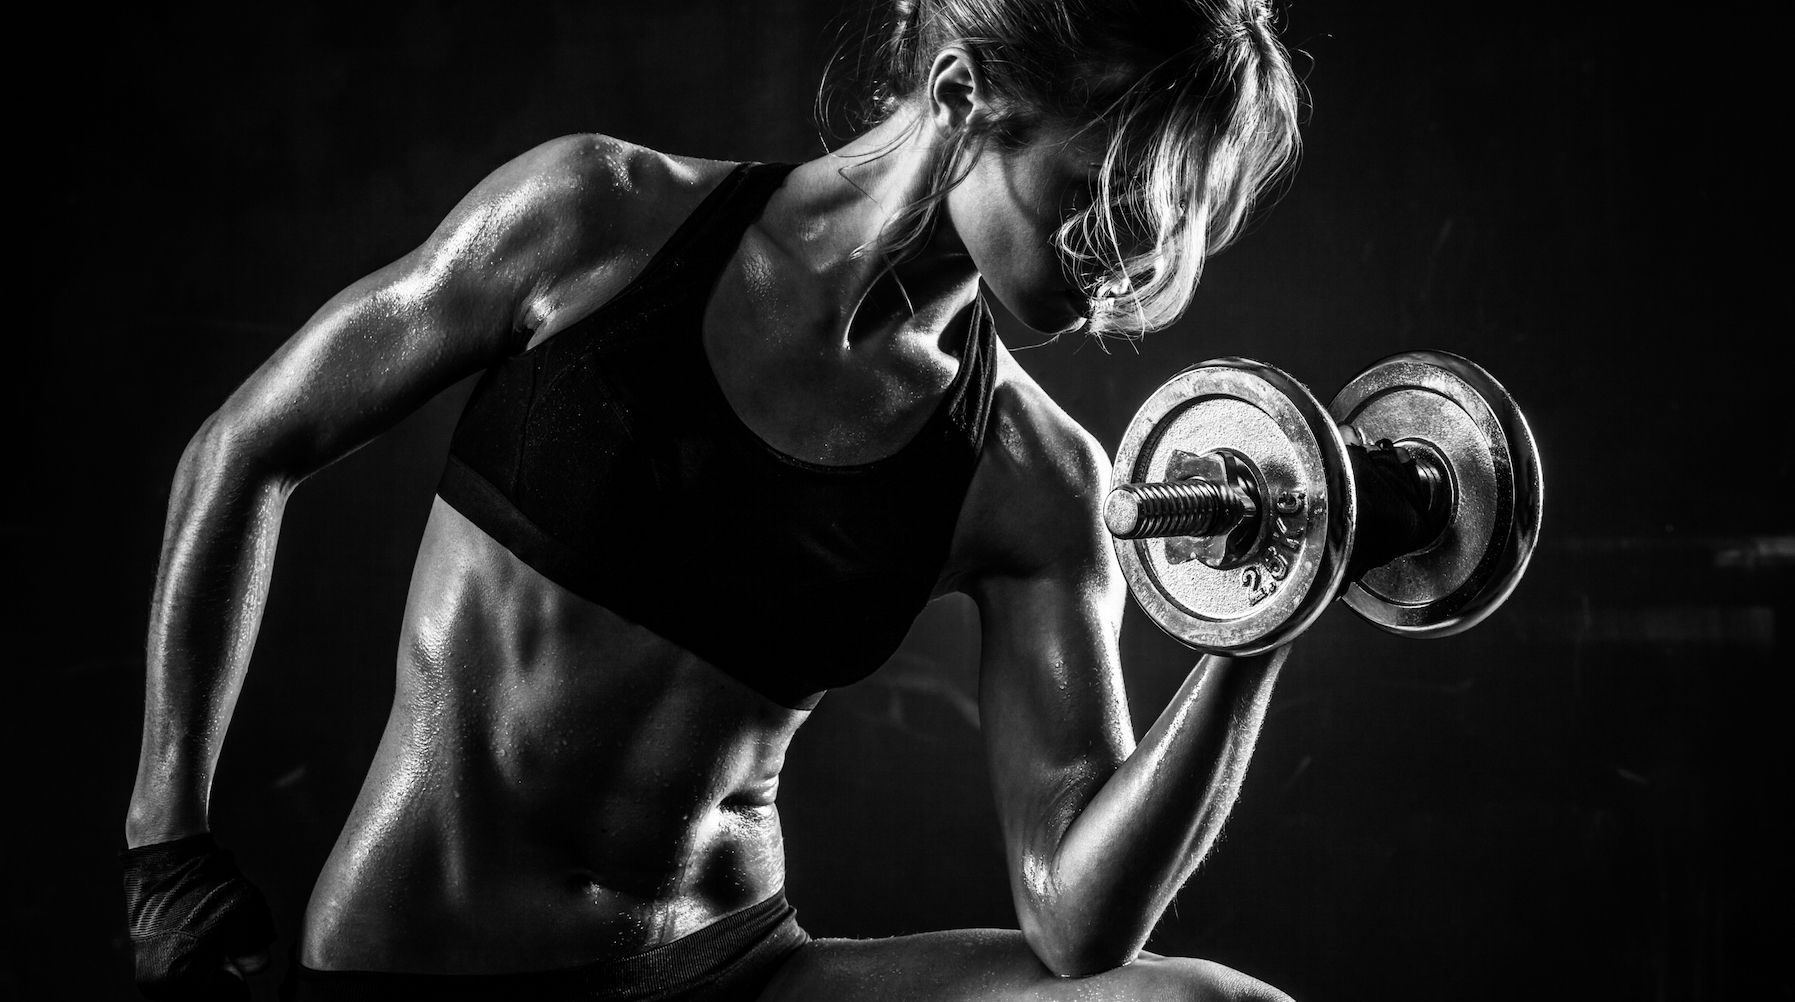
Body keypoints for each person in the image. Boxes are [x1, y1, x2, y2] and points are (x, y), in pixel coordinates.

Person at [122, 0, 1302, 998]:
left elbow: (1076, 922)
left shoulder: (1033, 475)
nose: (1137, 255)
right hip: (423, 960)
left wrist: (1266, 611)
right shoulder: (597, 217)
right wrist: (165, 847)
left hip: (733, 968)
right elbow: (244, 448)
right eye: (1104, 189)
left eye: (1170, 219)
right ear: (958, 96)